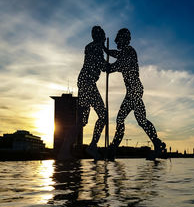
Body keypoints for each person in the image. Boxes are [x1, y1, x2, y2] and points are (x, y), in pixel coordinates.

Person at [105, 28, 166, 160]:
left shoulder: (129, 51)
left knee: (123, 119)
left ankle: (113, 148)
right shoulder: (126, 51)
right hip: (134, 90)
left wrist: (109, 67)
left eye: (119, 39)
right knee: (141, 120)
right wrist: (106, 51)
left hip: (134, 90)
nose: (116, 41)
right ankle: (157, 144)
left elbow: (120, 63)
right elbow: (116, 54)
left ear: (123, 39)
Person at [57, 26, 108, 160]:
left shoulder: (91, 47)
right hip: (88, 84)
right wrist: (116, 64)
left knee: (80, 122)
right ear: (100, 37)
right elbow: (103, 66)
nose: (103, 40)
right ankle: (92, 146)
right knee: (103, 115)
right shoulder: (95, 48)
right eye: (102, 37)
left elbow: (101, 65)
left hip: (86, 83)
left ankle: (64, 151)